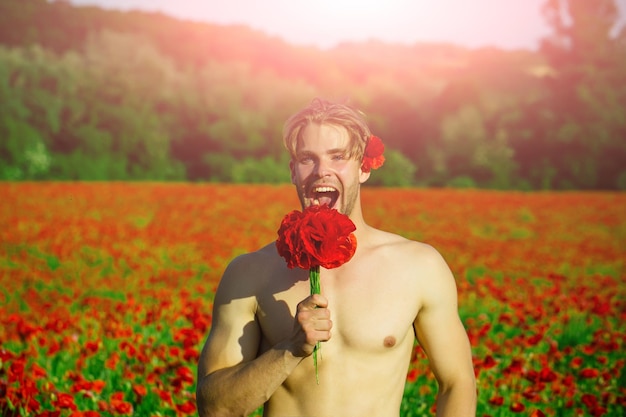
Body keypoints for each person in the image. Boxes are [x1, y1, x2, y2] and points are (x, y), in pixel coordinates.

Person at [196, 98, 476, 417]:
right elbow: (215, 407)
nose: (322, 171)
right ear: (293, 171)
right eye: (307, 159)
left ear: (363, 168)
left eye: (338, 156)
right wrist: (290, 350)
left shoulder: (419, 266)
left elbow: (457, 383)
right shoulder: (249, 273)